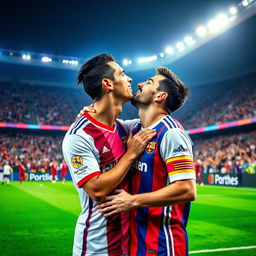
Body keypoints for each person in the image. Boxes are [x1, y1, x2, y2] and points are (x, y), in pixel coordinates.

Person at [62, 53, 156, 256]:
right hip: (98, 248)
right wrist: (130, 154)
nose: (130, 79)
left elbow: (158, 119)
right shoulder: (80, 135)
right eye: (123, 74)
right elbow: (97, 190)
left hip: (130, 244)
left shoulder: (124, 128)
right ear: (108, 84)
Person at [98, 67, 197, 256]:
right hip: (137, 241)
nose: (140, 84)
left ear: (160, 96)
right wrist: (91, 110)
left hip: (163, 243)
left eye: (149, 82)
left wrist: (132, 201)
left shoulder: (171, 133)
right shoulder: (135, 129)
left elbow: (187, 189)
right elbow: (103, 121)